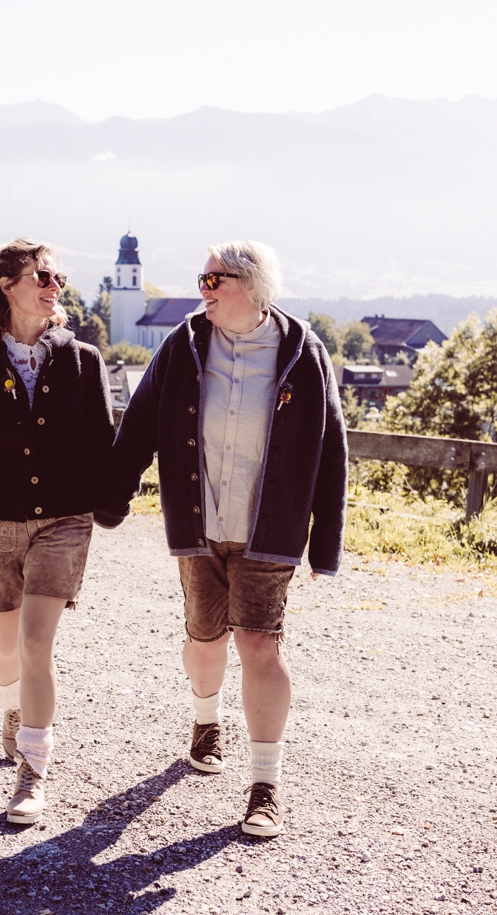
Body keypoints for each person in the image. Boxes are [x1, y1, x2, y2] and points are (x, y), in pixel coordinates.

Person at [96, 240, 348, 837]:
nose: (204, 289)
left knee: (260, 644)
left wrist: (327, 540)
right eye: (202, 278)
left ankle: (265, 784)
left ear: (253, 285)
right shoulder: (182, 345)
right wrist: (112, 500)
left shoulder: (302, 351)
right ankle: (205, 721)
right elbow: (138, 427)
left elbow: (332, 448)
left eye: (216, 279)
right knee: (205, 637)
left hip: (271, 528)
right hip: (199, 523)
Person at [0, 238, 115, 824]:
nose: (53, 284)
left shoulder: (84, 359)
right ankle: (10, 707)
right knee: (6, 644)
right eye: (41, 274)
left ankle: (32, 774)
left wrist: (110, 505)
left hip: (64, 519)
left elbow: (103, 444)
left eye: (59, 276)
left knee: (37, 642)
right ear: (7, 284)